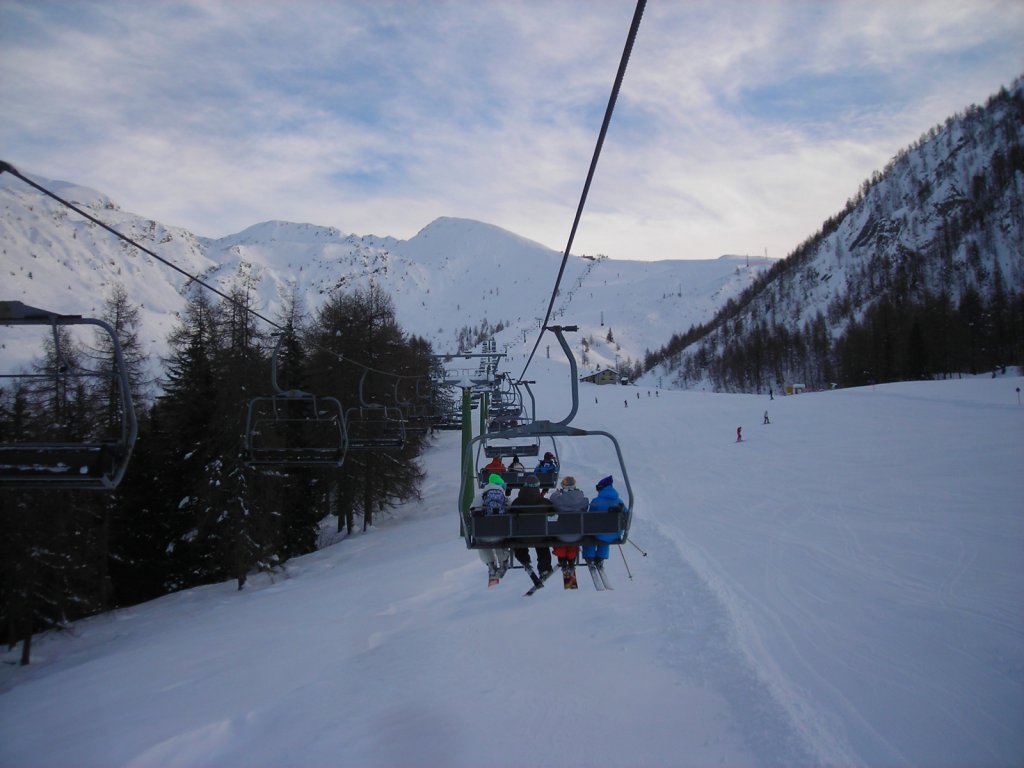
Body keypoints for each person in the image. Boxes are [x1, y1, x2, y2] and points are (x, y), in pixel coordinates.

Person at [511, 474, 554, 583]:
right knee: (542, 545)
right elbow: (554, 513)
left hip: (522, 538)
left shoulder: (517, 502)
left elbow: (510, 517)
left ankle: (525, 561)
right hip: (540, 537)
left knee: (518, 544)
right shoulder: (545, 503)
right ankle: (544, 568)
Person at [581, 475, 626, 571]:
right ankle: (601, 558)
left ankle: (590, 557)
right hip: (615, 533)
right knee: (606, 533)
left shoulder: (596, 501)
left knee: (591, 534)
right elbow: (625, 516)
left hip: (599, 534)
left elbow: (589, 518)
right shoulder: (619, 502)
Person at [549, 476, 589, 583]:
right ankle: (571, 562)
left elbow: (552, 499)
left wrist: (558, 494)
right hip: (576, 533)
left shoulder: (558, 499)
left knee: (560, 542)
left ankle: (563, 561)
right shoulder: (582, 499)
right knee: (572, 543)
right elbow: (585, 505)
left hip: (561, 534)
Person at [477, 473, 510, 585]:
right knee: (500, 539)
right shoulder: (504, 499)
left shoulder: (479, 498)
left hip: (483, 535)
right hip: (500, 535)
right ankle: (503, 561)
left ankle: (491, 564)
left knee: (481, 539)